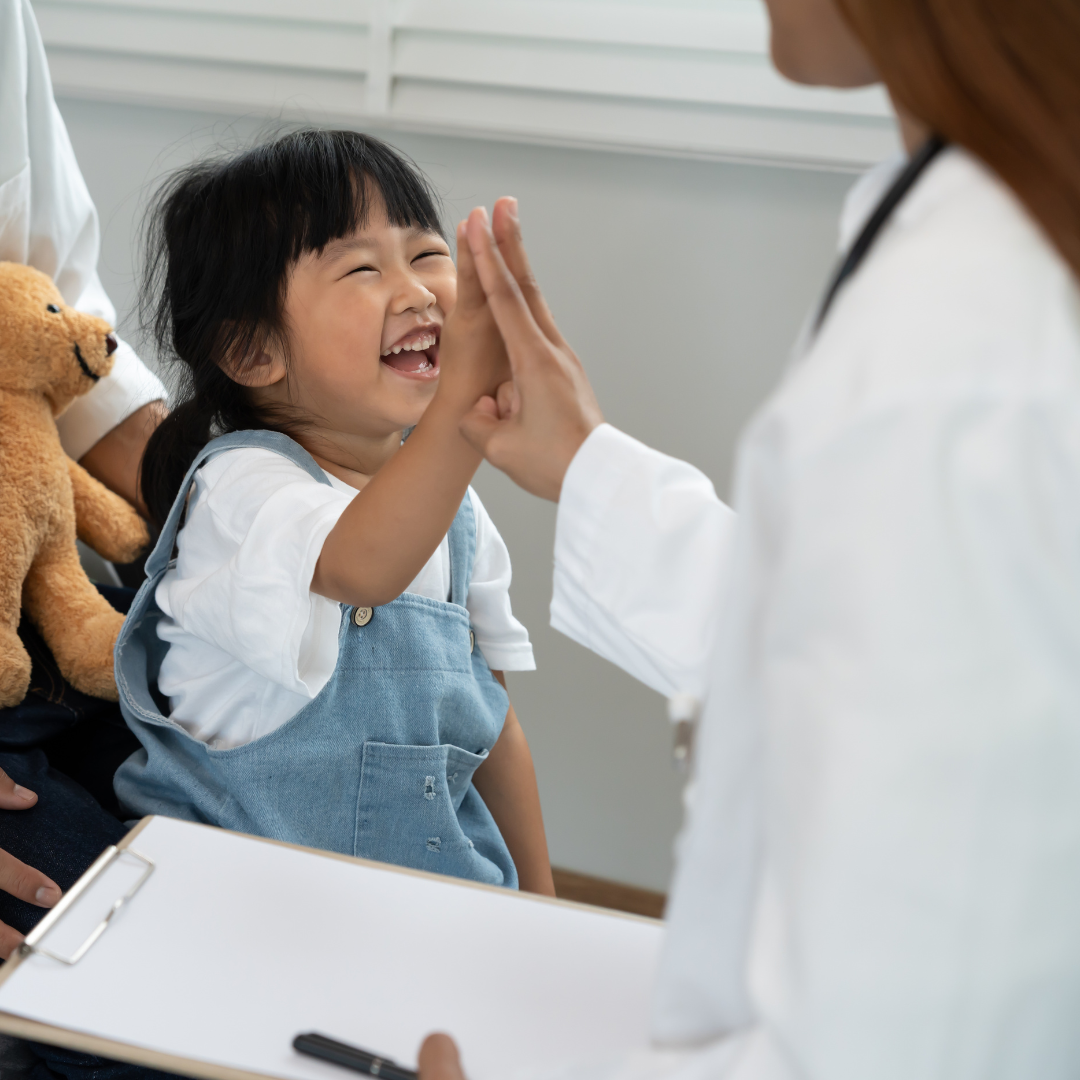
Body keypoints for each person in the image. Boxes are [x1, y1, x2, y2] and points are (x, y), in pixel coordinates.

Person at [416, 0, 1080, 1076]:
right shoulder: (971, 240)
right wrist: (587, 465)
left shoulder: (961, 345)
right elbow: (881, 632)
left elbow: (910, 1019)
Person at [113, 131, 555, 895]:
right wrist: (462, 412)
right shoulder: (241, 490)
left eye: (426, 254)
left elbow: (493, 726)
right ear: (254, 353)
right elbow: (360, 566)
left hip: (408, 897)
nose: (416, 292)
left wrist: (543, 905)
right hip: (223, 896)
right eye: (362, 269)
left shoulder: (460, 517)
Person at [0, 0, 166, 957]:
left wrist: (220, 503)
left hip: (52, 615)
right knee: (107, 947)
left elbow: (65, 317)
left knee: (245, 848)